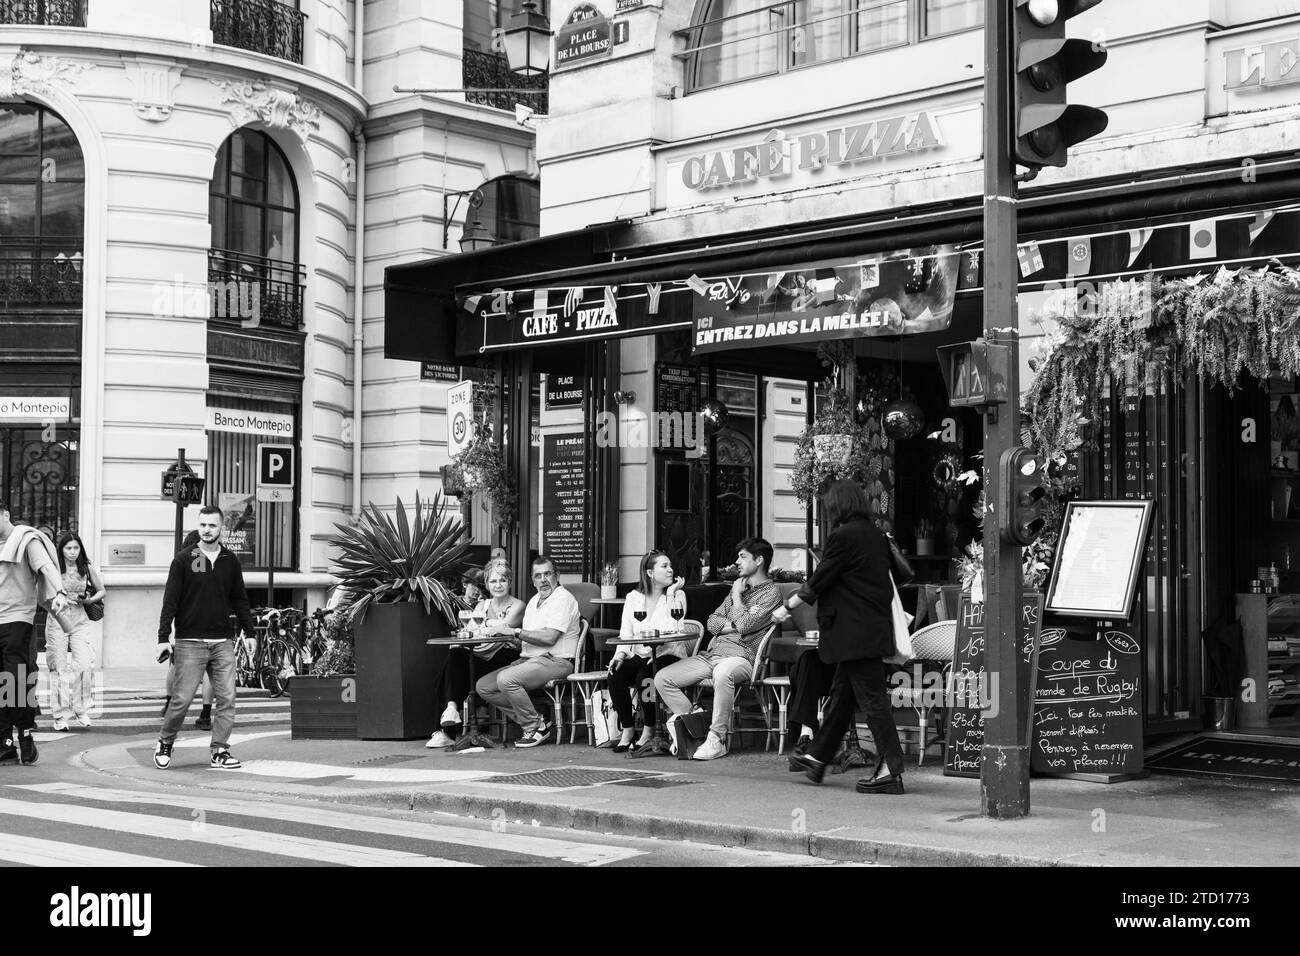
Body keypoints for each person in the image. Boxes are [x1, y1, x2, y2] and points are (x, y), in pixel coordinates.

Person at [776, 479, 905, 795]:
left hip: (853, 634)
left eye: (828, 505)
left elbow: (821, 579)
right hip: (868, 631)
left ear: (838, 506)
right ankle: (818, 758)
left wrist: (788, 606)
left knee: (872, 700)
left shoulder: (843, 536)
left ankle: (891, 768)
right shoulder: (874, 534)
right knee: (841, 698)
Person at [655, 538, 781, 761]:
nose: (736, 562)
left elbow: (744, 626)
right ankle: (698, 724)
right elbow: (712, 622)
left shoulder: (770, 594)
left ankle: (717, 739)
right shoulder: (740, 586)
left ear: (759, 560)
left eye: (742, 557)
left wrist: (735, 598)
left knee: (722, 672)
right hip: (712, 655)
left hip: (742, 658)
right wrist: (734, 620)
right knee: (663, 678)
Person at [154, 505, 257, 770]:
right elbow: (170, 601)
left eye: (212, 525)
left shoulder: (230, 561)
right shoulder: (185, 559)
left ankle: (220, 750)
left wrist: (250, 632)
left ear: (221, 527)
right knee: (183, 699)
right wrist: (163, 636)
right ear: (198, 527)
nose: (207, 530)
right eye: (203, 525)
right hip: (190, 641)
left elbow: (240, 600)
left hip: (222, 641)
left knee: (228, 698)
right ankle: (165, 741)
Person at [474, 554, 580, 748]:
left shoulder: (562, 599)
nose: (543, 579)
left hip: (557, 661)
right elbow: (526, 639)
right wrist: (507, 639)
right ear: (532, 579)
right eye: (538, 575)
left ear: (557, 575)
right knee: (484, 686)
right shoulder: (534, 601)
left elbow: (549, 638)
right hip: (529, 659)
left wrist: (514, 631)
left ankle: (534, 727)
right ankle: (536, 721)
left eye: (547, 574)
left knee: (506, 679)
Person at [0, 499, 70, 765]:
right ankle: (6, 743)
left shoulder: (26, 539)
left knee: (14, 681)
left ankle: (25, 732)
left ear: (6, 514)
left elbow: (47, 568)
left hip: (17, 619)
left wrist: (60, 591)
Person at [427, 558, 524, 748]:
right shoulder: (481, 606)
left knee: (454, 667)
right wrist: (488, 626)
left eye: (503, 580)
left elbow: (504, 628)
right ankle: (451, 710)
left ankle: (446, 731)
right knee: (453, 660)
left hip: (504, 658)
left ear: (510, 582)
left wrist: (487, 625)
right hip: (481, 655)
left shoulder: (518, 605)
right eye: (493, 581)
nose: (498, 585)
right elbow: (471, 633)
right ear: (487, 584)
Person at [605, 551, 689, 752]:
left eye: (670, 565)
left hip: (669, 653)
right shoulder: (634, 598)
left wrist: (670, 595)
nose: (671, 570)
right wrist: (620, 654)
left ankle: (650, 728)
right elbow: (626, 631)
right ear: (650, 572)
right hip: (642, 653)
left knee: (646, 677)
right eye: (664, 566)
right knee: (616, 672)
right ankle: (627, 729)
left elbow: (672, 627)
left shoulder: (678, 595)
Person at [47, 533, 105, 731]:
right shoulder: (53, 568)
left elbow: (102, 590)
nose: (72, 552)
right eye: (68, 548)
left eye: (76, 548)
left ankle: (81, 709)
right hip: (58, 618)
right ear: (61, 549)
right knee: (59, 668)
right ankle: (60, 715)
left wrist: (89, 600)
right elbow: (43, 591)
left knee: (84, 665)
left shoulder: (86, 567)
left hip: (80, 618)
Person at [160, 530, 214, 729]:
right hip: (212, 624)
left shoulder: (181, 565)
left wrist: (164, 632)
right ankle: (206, 714)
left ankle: (168, 703)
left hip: (188, 624)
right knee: (210, 670)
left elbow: (172, 600)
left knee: (177, 665)